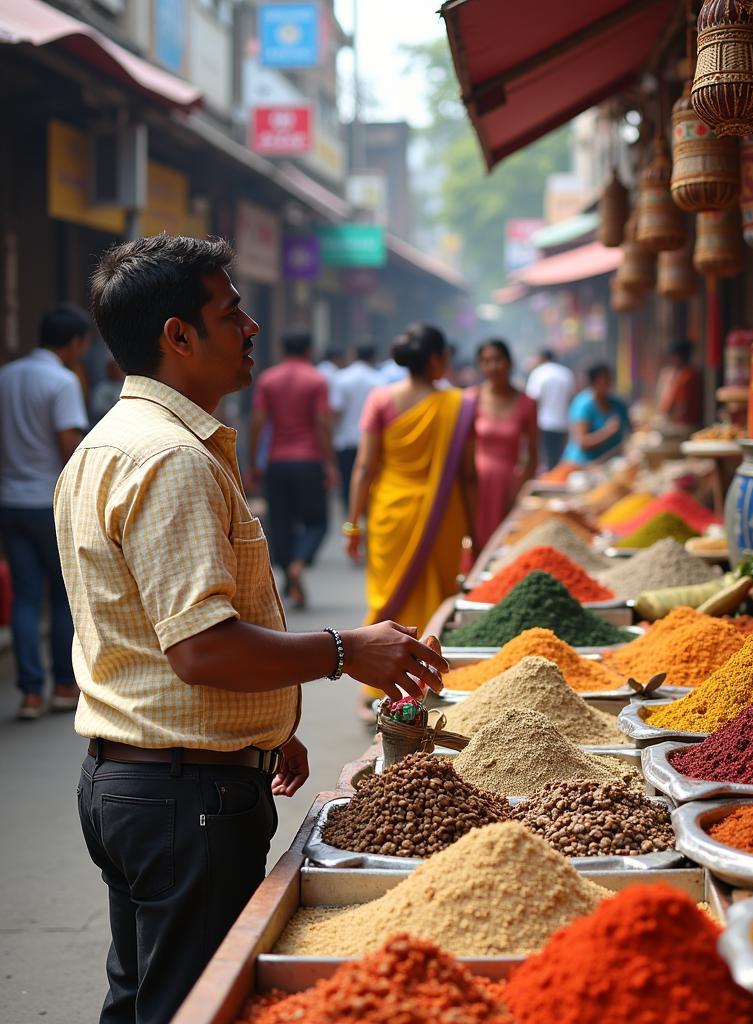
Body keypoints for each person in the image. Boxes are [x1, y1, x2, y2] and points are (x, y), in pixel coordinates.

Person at [56, 234, 447, 1024]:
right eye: (231, 312)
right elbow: (200, 648)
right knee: (187, 1006)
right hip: (180, 798)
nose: (252, 328)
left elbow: (146, 632)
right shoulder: (171, 459)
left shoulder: (110, 443)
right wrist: (345, 651)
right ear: (178, 336)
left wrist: (259, 725)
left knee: (140, 1000)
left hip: (136, 778)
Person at [347, 323, 477, 633]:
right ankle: (432, 671)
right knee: (438, 601)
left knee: (390, 596)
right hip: (444, 516)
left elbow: (365, 467)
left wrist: (352, 524)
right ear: (436, 359)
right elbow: (469, 475)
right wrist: (475, 532)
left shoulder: (381, 400)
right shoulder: (459, 405)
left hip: (391, 515)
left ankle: (384, 672)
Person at [0, 303, 91, 720]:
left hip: (10, 501)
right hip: (48, 501)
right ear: (74, 343)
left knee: (25, 596)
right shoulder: (62, 380)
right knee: (63, 596)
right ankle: (61, 685)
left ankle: (30, 693)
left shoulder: (6, 376)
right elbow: (69, 443)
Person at [248, 329, 338, 609]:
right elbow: (322, 423)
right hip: (308, 460)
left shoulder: (268, 379)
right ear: (309, 350)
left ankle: (289, 575)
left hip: (276, 461)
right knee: (317, 522)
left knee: (281, 521)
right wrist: (329, 463)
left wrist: (253, 462)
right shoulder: (316, 379)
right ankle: (299, 564)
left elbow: (258, 422)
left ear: (282, 349)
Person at [469, 339, 538, 547]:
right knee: (473, 542)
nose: (492, 367)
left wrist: (520, 490)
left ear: (509, 362)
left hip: (509, 488)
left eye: (497, 360)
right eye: (486, 361)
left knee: (502, 545)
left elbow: (533, 455)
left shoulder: (527, 403)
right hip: (474, 485)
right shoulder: (470, 399)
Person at [328, 343, 383, 513]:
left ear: (354, 354)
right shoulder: (379, 379)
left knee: (347, 485)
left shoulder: (342, 378)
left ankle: (351, 521)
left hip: (344, 442)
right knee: (371, 484)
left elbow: (335, 411)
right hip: (370, 441)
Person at [562, 363, 631, 464]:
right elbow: (583, 442)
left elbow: (630, 428)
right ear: (594, 381)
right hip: (583, 464)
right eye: (605, 379)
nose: (609, 382)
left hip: (609, 463)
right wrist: (607, 432)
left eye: (610, 378)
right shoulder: (583, 405)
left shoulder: (618, 405)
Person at [525, 348, 575, 470]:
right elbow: (571, 399)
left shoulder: (538, 373)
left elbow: (532, 400)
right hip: (563, 423)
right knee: (557, 459)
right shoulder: (566, 373)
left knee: (543, 460)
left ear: (542, 358)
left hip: (543, 423)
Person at [656, 339, 702, 430]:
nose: (671, 360)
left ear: (681, 357)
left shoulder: (687, 377)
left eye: (673, 356)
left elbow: (681, 408)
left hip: (685, 426)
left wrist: (668, 420)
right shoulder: (679, 374)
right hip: (682, 424)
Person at [90, 356, 126, 424]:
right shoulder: (102, 388)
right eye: (113, 367)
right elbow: (98, 411)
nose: (117, 370)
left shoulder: (126, 385)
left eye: (119, 367)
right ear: (108, 369)